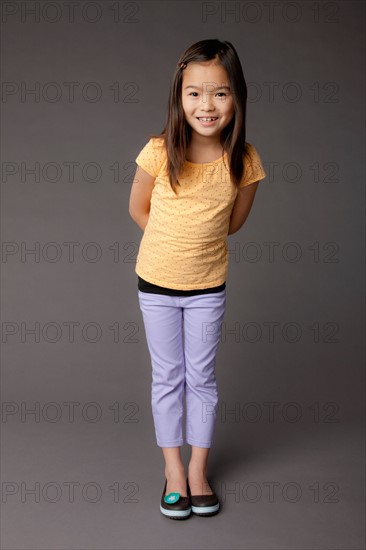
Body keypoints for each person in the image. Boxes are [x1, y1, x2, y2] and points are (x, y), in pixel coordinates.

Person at [129, 38, 266, 520]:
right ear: (179, 95)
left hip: (208, 288)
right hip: (157, 286)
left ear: (236, 98)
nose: (206, 105)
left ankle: (198, 471)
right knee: (168, 377)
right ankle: (172, 470)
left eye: (220, 93)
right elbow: (137, 208)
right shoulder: (158, 152)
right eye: (195, 93)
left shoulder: (244, 162)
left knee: (201, 378)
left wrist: (195, 252)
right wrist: (173, 247)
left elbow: (232, 223)